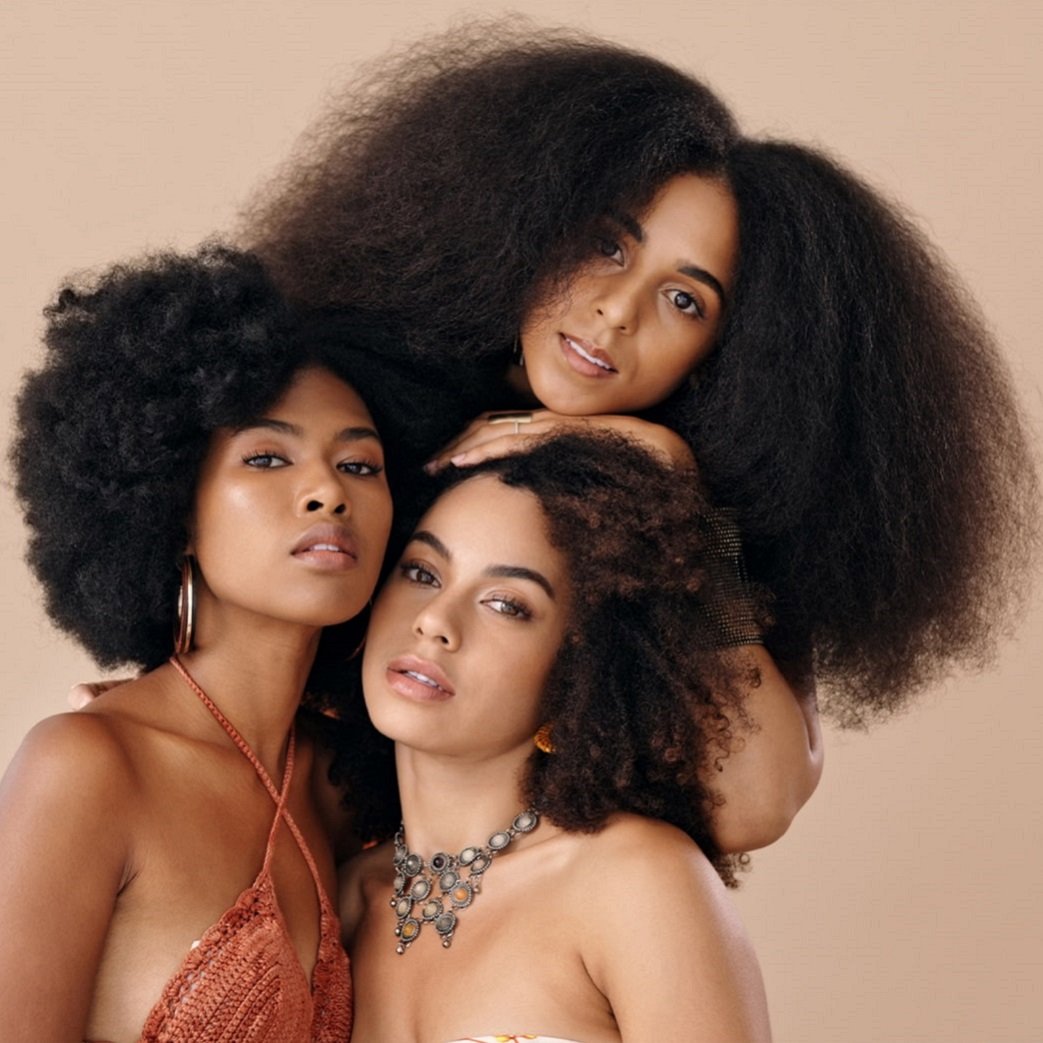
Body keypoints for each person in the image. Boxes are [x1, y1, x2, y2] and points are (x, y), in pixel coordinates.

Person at [244, 26, 1039, 745]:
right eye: (606, 247)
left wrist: (672, 487)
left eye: (684, 300)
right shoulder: (361, 395)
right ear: (527, 226)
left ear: (729, 355)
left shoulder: (722, 510)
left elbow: (764, 796)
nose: (618, 311)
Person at [0, 245, 405, 1041]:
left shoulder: (340, 783)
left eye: (361, 464)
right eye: (267, 457)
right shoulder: (88, 766)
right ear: (172, 507)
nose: (328, 491)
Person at [336, 431, 772, 1042]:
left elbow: (773, 788)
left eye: (506, 605)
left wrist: (676, 464)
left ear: (579, 669)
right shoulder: (342, 901)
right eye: (422, 572)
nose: (434, 621)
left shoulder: (638, 881)